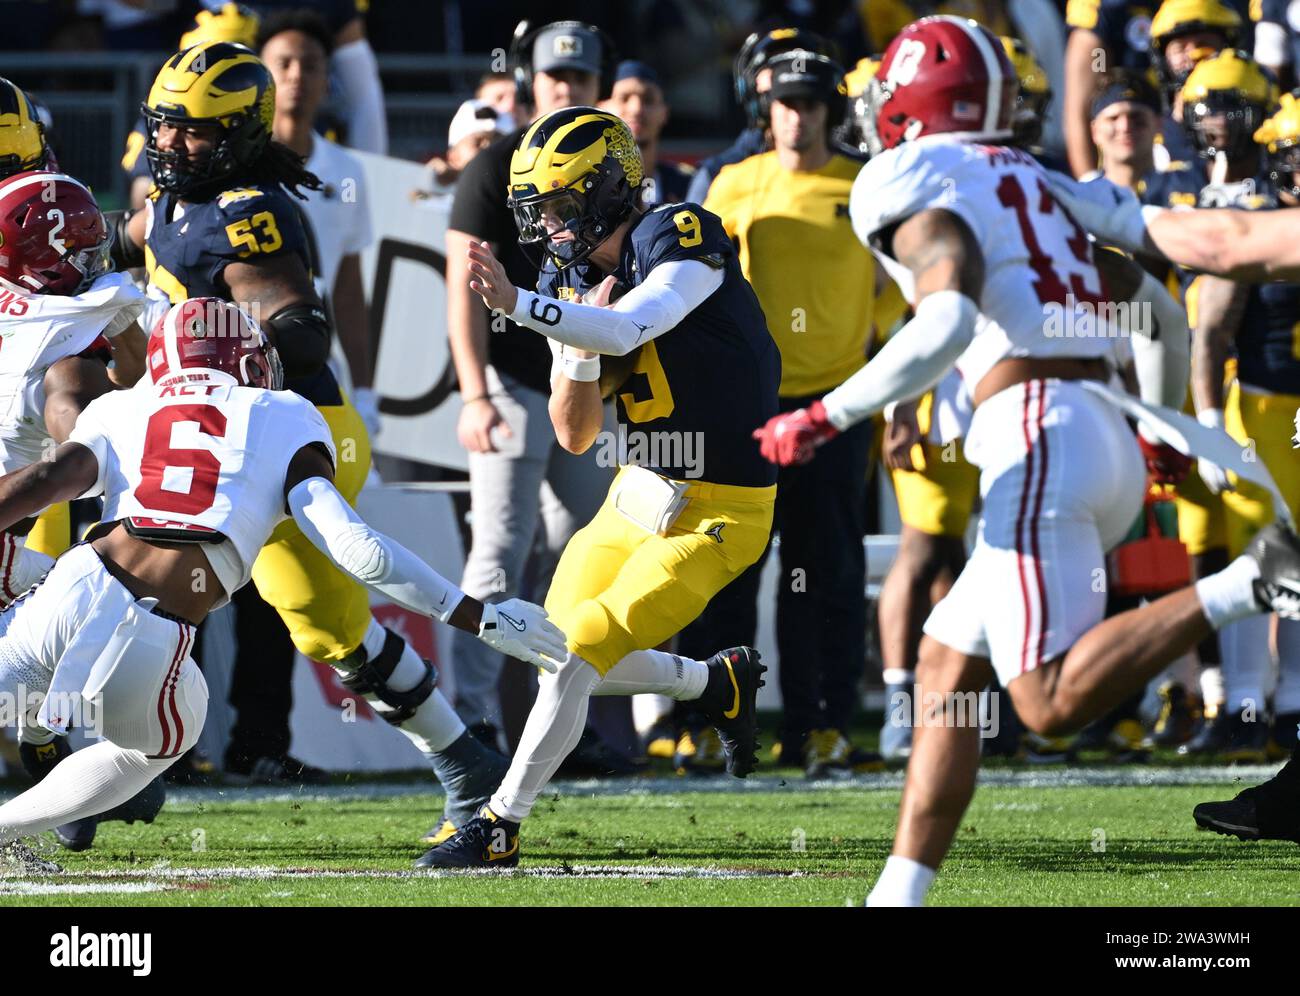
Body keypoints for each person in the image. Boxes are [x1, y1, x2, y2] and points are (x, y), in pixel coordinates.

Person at [753, 16, 1300, 906]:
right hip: (1092, 428)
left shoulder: (911, 176)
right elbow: (1175, 288)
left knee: (1043, 701)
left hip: (1038, 433)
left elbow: (949, 320)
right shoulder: (1040, 181)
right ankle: (900, 895)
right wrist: (1158, 422)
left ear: (913, 101)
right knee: (946, 668)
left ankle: (1256, 580)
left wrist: (826, 412)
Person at [112, 41, 508, 835]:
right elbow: (133, 241)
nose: (173, 144)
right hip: (216, 434)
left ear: (237, 136)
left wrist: (212, 343)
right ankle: (124, 767)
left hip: (295, 432)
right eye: (165, 127)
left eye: (193, 131)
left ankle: (465, 762)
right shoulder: (176, 201)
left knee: (279, 614)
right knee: (152, 591)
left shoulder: (245, 211)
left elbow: (299, 330)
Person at [0, 297, 564, 848]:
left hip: (72, 585)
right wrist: (480, 617)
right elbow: (358, 549)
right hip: (153, 633)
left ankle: (40, 734)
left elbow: (42, 483)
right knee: (155, 745)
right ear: (248, 360)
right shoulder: (285, 412)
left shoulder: (121, 406)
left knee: (28, 685)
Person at [418, 106, 782, 869]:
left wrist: (524, 309)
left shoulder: (676, 232)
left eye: (561, 205)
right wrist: (571, 348)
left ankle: (499, 824)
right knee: (556, 647)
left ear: (610, 186)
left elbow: (631, 327)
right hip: (634, 492)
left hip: (719, 508)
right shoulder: (566, 276)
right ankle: (714, 684)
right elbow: (575, 432)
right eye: (538, 211)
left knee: (582, 649)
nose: (549, 228)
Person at [686, 50, 883, 777]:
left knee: (823, 577)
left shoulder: (866, 185)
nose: (797, 115)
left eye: (810, 102)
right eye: (783, 102)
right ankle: (716, 727)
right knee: (723, 571)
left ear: (833, 108)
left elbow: (899, 291)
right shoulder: (731, 184)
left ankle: (820, 728)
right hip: (747, 405)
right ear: (763, 110)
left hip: (835, 405)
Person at [444, 20, 621, 763]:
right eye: (556, 78)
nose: (566, 90)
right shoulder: (493, 165)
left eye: (579, 80)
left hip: (580, 376)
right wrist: (475, 390)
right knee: (500, 549)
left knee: (582, 548)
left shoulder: (611, 163)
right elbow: (463, 282)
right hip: (517, 382)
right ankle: (470, 726)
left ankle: (559, 719)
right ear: (530, 81)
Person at [0, 169, 157, 850]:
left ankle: (50, 752)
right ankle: (69, 757)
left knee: (64, 613)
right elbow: (80, 434)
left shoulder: (41, 308)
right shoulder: (66, 346)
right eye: (79, 252)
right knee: (95, 603)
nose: (93, 266)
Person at [258, 8, 378, 437]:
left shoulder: (347, 172)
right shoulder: (236, 165)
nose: (296, 76)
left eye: (310, 65)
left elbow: (347, 288)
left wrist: (364, 391)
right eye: (283, 63)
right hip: (240, 363)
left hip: (317, 369)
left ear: (328, 79)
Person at [684, 26, 836, 204]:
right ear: (750, 90)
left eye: (802, 71)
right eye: (778, 70)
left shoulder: (856, 172)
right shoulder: (716, 176)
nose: (792, 81)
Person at [602, 60, 693, 210]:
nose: (636, 109)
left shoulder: (688, 185)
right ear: (601, 108)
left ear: (664, 113)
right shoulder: (589, 187)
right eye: (624, 98)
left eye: (648, 100)